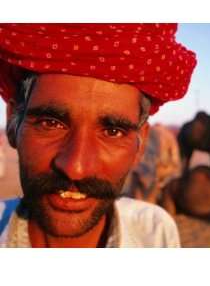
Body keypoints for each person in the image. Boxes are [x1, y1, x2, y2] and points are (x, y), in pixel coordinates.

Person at [0, 23, 197, 247]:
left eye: (113, 132)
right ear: (13, 122)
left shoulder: (155, 231)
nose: (76, 168)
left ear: (140, 145)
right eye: (50, 123)